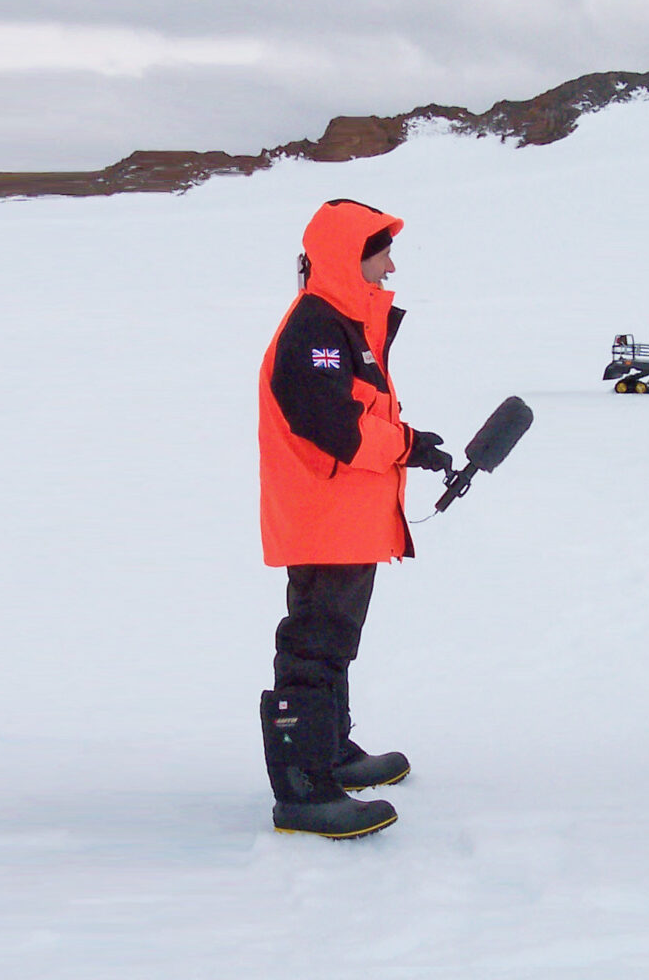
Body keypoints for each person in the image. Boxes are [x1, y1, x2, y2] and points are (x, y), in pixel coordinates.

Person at [254, 199, 452, 839]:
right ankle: (303, 789)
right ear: (350, 257)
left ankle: (331, 753)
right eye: (381, 253)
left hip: (347, 517)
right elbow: (329, 425)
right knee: (313, 646)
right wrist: (401, 446)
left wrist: (412, 442)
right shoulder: (316, 327)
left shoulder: (343, 324)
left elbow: (356, 412)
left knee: (334, 641)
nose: (391, 266)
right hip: (325, 517)